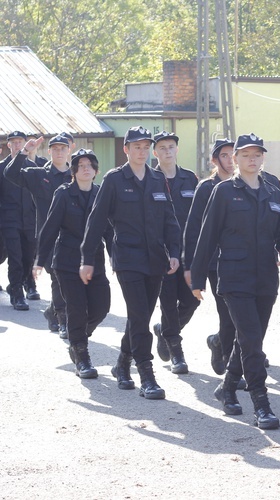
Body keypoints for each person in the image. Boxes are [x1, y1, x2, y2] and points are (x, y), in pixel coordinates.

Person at [190, 133, 280, 428]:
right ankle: (261, 404)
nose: (252, 159)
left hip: (265, 278)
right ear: (234, 159)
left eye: (257, 155)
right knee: (251, 341)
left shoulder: (273, 192)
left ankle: (226, 388)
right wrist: (196, 277)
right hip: (235, 278)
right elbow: (207, 235)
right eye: (246, 155)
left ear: (263, 158)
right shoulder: (223, 192)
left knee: (250, 338)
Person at [80, 126, 182, 400]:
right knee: (139, 315)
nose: (142, 151)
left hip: (155, 260)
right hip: (127, 258)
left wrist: (174, 250)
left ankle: (122, 364)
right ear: (126, 150)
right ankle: (146, 374)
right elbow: (96, 220)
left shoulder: (158, 180)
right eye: (136, 146)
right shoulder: (115, 179)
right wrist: (87, 259)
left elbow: (169, 219)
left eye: (145, 146)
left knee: (142, 316)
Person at [34, 149, 111, 379]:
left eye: (90, 165)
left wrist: (118, 255)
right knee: (77, 308)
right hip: (67, 263)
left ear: (96, 171)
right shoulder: (64, 194)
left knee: (101, 307)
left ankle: (77, 337)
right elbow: (50, 228)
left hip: (95, 262)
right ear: (74, 171)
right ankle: (82, 356)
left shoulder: (101, 194)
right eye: (81, 165)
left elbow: (109, 229)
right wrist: (39, 260)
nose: (86, 168)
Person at [5, 134, 72, 334]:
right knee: (57, 277)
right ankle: (62, 319)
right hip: (48, 238)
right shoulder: (37, 174)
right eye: (55, 148)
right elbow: (11, 174)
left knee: (70, 280)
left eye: (63, 148)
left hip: (73, 237)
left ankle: (53, 311)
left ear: (69, 150)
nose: (59, 152)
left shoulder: (76, 173)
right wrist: (24, 152)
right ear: (49, 152)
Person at [183, 138, 238, 379]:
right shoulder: (207, 188)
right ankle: (229, 362)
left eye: (233, 154)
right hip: (216, 263)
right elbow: (194, 228)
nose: (230, 160)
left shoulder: (245, 184)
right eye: (224, 155)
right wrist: (191, 266)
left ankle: (220, 342)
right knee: (228, 314)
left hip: (243, 261)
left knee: (241, 316)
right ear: (215, 161)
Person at [150, 131, 200, 375]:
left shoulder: (190, 179)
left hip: (187, 252)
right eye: (162, 147)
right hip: (161, 253)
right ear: (155, 152)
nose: (167, 151)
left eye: (171, 147)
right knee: (168, 302)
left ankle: (166, 331)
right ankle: (177, 353)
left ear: (177, 150)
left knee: (192, 299)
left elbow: (200, 216)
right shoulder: (148, 179)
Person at [0, 131, 39, 311]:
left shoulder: (33, 168)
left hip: (30, 220)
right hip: (9, 220)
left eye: (20, 142)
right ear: (8, 145)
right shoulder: (2, 168)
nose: (17, 145)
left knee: (27, 258)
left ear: (25, 144)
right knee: (14, 258)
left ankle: (18, 283)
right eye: (13, 142)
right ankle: (17, 293)